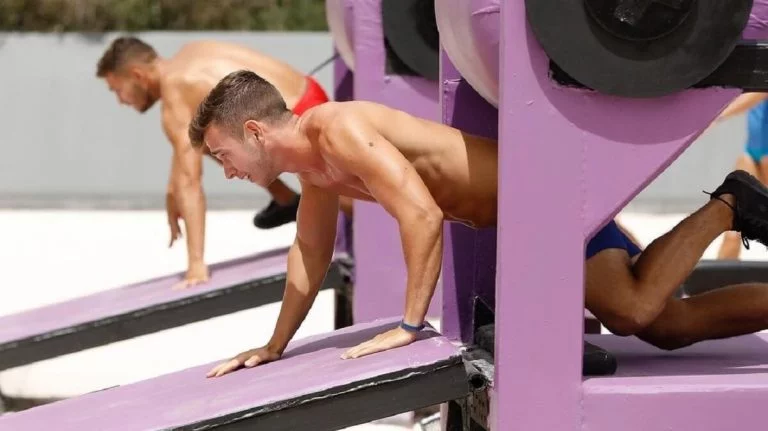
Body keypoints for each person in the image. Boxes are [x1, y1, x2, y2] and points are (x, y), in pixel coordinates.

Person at [192, 70, 768, 378]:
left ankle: (729, 203)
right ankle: (731, 204)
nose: (228, 171)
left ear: (255, 132)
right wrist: (274, 346)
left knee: (634, 312)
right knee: (668, 325)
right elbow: (309, 254)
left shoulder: (336, 130)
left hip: (544, 202)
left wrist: (410, 325)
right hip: (531, 220)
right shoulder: (314, 171)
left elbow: (420, 214)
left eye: (223, 155)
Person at [95, 37, 330, 289]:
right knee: (204, 139)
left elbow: (190, 181)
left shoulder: (175, 93)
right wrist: (172, 190)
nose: (121, 101)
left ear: (137, 75)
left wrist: (195, 265)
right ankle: (286, 200)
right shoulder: (190, 52)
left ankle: (298, 202)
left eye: (117, 90)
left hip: (296, 123)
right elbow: (184, 156)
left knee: (355, 203)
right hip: (310, 96)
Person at [712, 92, 768, 259]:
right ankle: (721, 275)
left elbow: (762, 91)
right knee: (732, 230)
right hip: (752, 152)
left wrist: (718, 115)